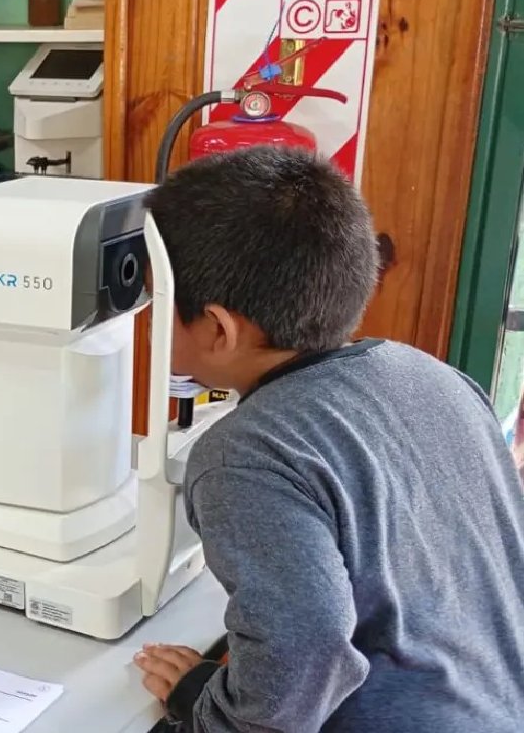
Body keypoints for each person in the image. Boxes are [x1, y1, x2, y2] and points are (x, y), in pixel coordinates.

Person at [131, 146, 524, 732]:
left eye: (157, 307)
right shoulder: (431, 374)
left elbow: (304, 653)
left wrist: (202, 705)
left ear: (218, 328)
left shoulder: (245, 454)